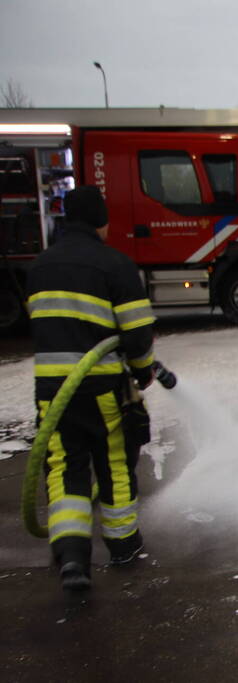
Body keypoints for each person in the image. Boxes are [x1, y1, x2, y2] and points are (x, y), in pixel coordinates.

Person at [26, 185, 156, 592]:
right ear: (101, 221)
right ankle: (123, 547)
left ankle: (72, 559)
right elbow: (136, 334)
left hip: (53, 392)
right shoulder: (114, 265)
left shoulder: (39, 266)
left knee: (65, 469)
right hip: (100, 387)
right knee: (114, 462)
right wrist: (142, 373)